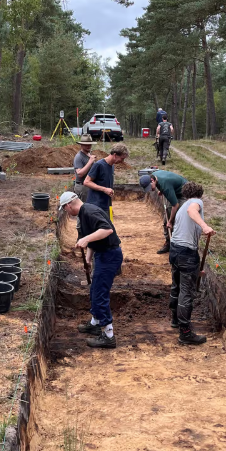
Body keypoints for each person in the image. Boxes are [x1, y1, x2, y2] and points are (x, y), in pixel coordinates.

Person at [59, 191, 124, 349]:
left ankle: (109, 336)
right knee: (94, 291)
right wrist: (88, 259)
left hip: (109, 256)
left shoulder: (90, 211)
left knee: (100, 294)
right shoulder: (84, 213)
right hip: (102, 255)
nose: (66, 212)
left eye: (65, 209)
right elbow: (95, 239)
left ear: (69, 205)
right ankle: (95, 323)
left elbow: (106, 230)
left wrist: (85, 239)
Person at [168, 182, 214, 345]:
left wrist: (195, 272)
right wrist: (205, 225)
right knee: (186, 292)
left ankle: (175, 319)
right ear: (200, 195)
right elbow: (192, 211)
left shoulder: (182, 206)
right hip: (186, 253)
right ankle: (185, 333)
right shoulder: (196, 203)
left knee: (177, 286)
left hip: (175, 250)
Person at [139, 170, 187, 254]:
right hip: (173, 189)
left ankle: (179, 246)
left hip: (184, 192)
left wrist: (170, 221)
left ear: (152, 180)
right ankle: (168, 243)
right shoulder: (154, 176)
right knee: (166, 218)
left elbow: (175, 205)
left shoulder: (166, 187)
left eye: (150, 187)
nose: (150, 190)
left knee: (178, 218)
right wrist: (161, 190)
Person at [84, 143, 129, 214]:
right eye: (122, 158)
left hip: (105, 205)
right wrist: (104, 189)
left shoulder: (112, 166)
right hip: (95, 206)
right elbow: (86, 182)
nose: (122, 161)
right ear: (115, 155)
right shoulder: (99, 165)